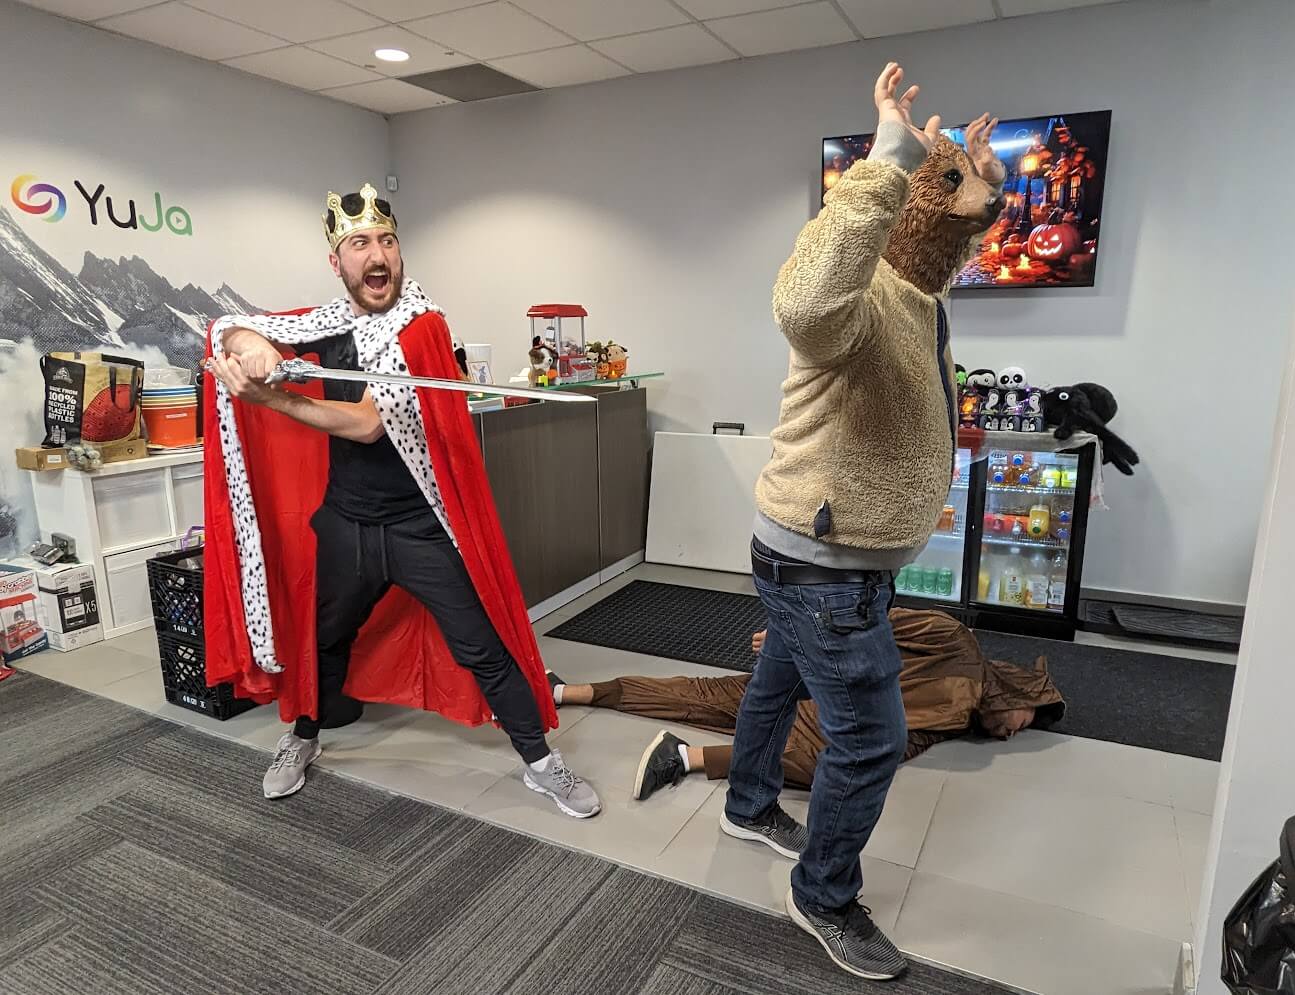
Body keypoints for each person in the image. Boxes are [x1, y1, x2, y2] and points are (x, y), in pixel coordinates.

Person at [726, 63, 1007, 981]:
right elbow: (802, 298)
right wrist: (886, 157)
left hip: (830, 553)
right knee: (871, 738)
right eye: (955, 206)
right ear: (910, 210)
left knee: (774, 680)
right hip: (822, 561)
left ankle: (745, 801)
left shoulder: (922, 296)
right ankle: (823, 894)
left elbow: (934, 260)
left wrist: (977, 198)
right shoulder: (851, 302)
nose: (966, 221)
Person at [204, 183, 599, 819]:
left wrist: (273, 399)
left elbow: (366, 423)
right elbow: (231, 326)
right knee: (324, 638)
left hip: (419, 523)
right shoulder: (330, 322)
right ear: (338, 262)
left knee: (481, 645)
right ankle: (304, 738)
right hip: (346, 523)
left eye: (387, 240)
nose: (377, 254)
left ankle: (541, 762)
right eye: (359, 244)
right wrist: (254, 347)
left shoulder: (421, 329)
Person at [548, 608, 1064, 802]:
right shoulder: (957, 639)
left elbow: (895, 746)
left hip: (829, 714)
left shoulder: (955, 721)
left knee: (823, 767)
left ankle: (684, 758)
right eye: (1026, 720)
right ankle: (566, 691)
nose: (1016, 731)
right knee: (704, 694)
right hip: (815, 678)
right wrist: (791, 635)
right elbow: (871, 617)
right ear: (1021, 693)